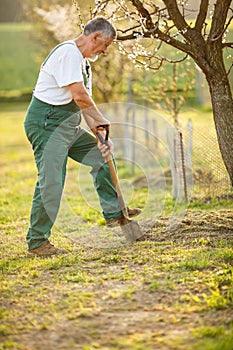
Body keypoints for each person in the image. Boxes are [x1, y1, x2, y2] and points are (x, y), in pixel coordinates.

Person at [24, 17, 141, 257]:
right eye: (105, 44)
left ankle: (114, 213)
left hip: (66, 126)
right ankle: (37, 241)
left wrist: (100, 134)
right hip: (46, 125)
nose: (105, 50)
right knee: (52, 182)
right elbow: (78, 95)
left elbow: (85, 104)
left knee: (101, 156)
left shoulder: (84, 63)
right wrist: (101, 120)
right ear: (95, 36)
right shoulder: (68, 54)